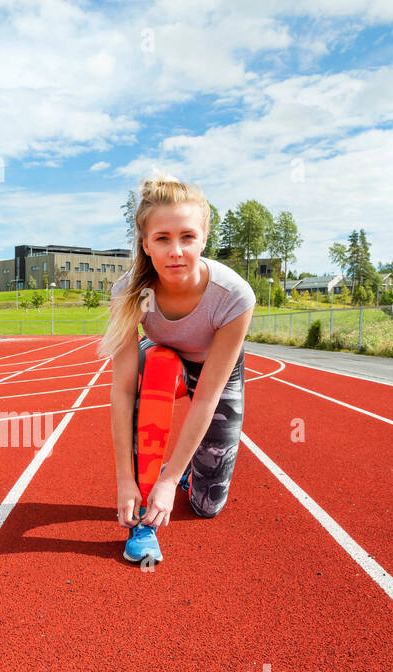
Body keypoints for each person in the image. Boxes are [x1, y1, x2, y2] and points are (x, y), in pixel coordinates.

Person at [100, 174, 255, 563]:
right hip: (163, 360)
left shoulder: (234, 296)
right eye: (163, 238)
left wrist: (170, 479)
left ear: (204, 238)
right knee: (158, 365)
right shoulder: (131, 292)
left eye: (187, 237)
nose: (176, 251)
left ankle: (181, 472)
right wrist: (125, 480)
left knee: (206, 506)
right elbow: (121, 391)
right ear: (146, 244)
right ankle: (144, 526)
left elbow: (206, 397)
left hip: (212, 370)